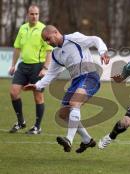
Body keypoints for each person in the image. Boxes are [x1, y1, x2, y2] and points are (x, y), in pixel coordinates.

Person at [23, 25, 110, 153]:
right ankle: (87, 140)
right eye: (45, 41)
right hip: (76, 81)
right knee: (63, 114)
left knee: (74, 103)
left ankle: (68, 139)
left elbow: (95, 39)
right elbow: (51, 74)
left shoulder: (74, 38)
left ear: (56, 32)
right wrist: (37, 85)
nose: (48, 42)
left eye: (48, 39)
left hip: (89, 75)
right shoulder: (56, 54)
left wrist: (103, 51)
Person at [9, 5, 52, 134]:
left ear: (39, 15)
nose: (34, 16)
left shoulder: (43, 30)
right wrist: (13, 65)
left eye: (37, 14)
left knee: (38, 97)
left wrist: (45, 68)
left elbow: (49, 51)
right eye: (32, 14)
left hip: (37, 67)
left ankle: (37, 127)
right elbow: (17, 48)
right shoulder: (22, 28)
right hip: (23, 66)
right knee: (13, 92)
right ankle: (21, 122)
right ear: (27, 14)